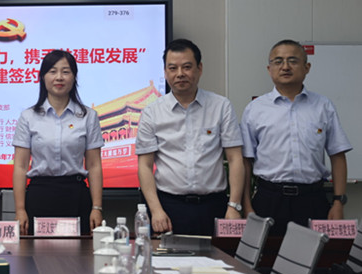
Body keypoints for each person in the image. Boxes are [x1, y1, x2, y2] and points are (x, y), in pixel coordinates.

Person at [240, 39, 352, 235]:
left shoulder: (323, 106)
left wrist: (338, 201)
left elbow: (337, 156)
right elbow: (245, 162)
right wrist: (247, 206)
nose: (285, 67)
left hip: (312, 199)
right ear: (269, 69)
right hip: (268, 200)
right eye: (278, 61)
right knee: (265, 254)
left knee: (314, 254)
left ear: (307, 68)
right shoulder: (255, 109)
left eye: (292, 60)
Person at [135, 39, 245, 236]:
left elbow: (235, 158)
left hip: (214, 205)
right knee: (168, 257)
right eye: (173, 68)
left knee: (218, 257)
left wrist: (234, 206)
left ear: (199, 68)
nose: (180, 74)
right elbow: (145, 165)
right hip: (169, 206)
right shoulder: (152, 112)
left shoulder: (221, 106)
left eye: (187, 67)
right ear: (165, 72)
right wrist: (156, 210)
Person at [12, 50, 104, 235]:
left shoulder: (88, 116)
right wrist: (20, 209)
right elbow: (20, 167)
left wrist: (97, 207)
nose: (59, 77)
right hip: (39, 195)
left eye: (66, 72)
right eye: (52, 71)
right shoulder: (28, 117)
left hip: (76, 195)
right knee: (37, 252)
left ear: (74, 77)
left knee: (79, 252)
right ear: (43, 77)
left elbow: (94, 165)